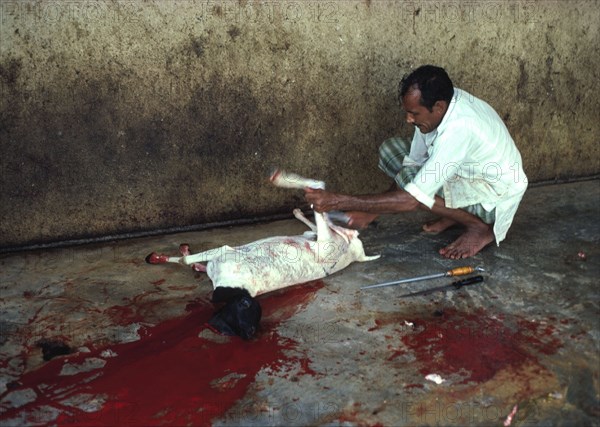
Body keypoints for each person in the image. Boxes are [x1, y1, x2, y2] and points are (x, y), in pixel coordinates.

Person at [305, 65, 528, 259]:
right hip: (468, 172)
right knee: (391, 151)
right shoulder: (441, 106)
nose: (408, 119)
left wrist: (340, 201)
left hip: (495, 197)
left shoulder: (459, 128)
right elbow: (412, 163)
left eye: (414, 113)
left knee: (414, 189)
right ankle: (455, 214)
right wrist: (373, 212)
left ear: (438, 107)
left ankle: (478, 226)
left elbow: (410, 200)